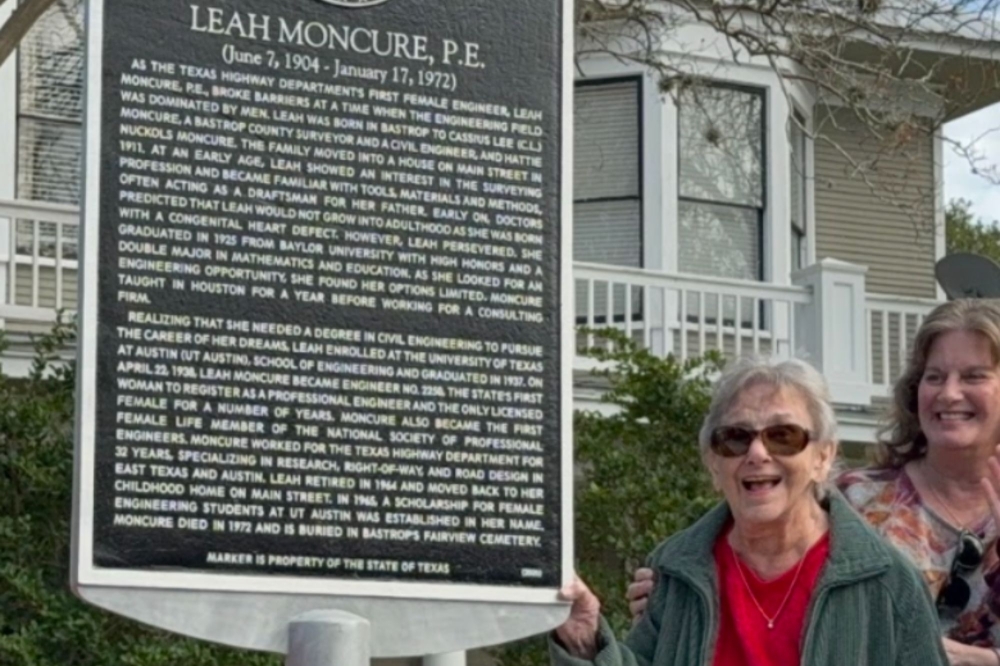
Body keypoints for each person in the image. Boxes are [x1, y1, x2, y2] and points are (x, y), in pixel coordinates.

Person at [626, 299, 1000, 666]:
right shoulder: (858, 499)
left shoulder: (889, 571)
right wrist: (675, 591)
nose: (949, 393)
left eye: (974, 376)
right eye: (934, 376)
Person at [554, 357, 947, 666]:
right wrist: (586, 638)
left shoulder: (889, 584)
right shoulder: (676, 571)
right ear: (713, 462)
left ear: (823, 457)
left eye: (783, 436)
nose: (757, 454)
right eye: (736, 438)